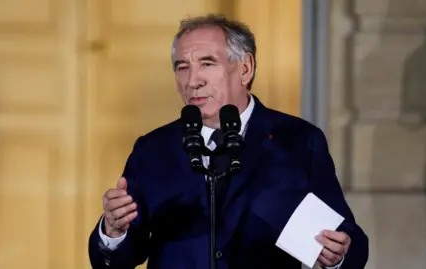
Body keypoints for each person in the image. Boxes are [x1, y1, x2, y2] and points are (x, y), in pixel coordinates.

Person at [88, 14, 369, 269]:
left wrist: (338, 255)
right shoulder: (152, 150)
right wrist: (113, 232)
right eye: (182, 67)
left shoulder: (297, 141)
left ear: (245, 68)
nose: (192, 81)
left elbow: (349, 242)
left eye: (207, 64)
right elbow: (118, 260)